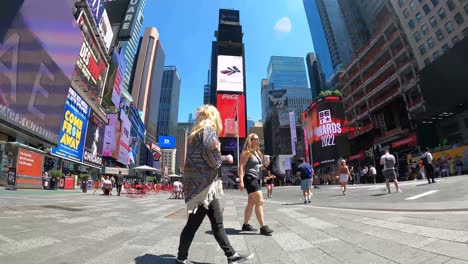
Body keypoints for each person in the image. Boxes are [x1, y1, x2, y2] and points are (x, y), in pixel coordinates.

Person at [176, 105, 253, 264]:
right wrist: (226, 158)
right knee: (194, 225)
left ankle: (231, 255)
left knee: (215, 223)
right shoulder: (208, 132)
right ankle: (181, 257)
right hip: (204, 188)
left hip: (199, 187)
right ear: (213, 117)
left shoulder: (194, 134)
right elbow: (213, 161)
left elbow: (203, 156)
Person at [239, 133, 274, 236]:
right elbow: (241, 167)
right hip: (250, 178)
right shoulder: (247, 153)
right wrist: (241, 181)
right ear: (250, 140)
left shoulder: (257, 153)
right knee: (259, 201)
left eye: (259, 139)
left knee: (251, 203)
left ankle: (246, 224)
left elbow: (258, 167)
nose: (258, 141)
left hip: (256, 178)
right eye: (256, 139)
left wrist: (264, 166)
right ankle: (263, 227)